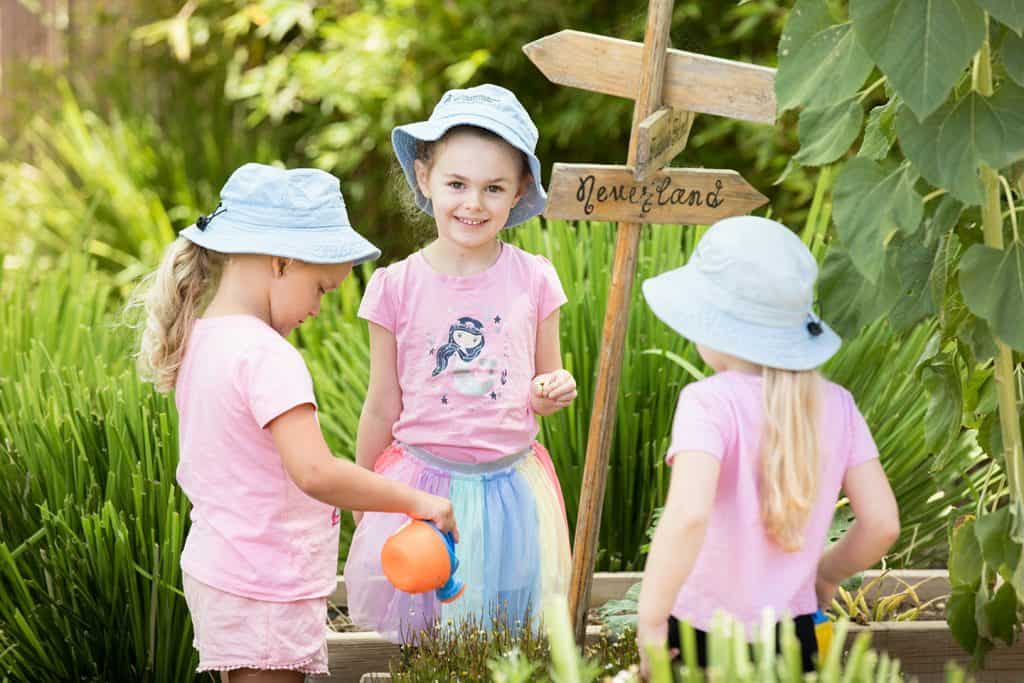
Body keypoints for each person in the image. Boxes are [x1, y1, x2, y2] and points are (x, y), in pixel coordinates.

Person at [134, 163, 457, 682]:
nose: (319, 308)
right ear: (281, 261)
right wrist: (417, 500)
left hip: (228, 570)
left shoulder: (205, 338)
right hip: (265, 582)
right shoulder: (266, 355)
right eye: (322, 289)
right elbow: (315, 472)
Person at [343, 84, 576, 643]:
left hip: (509, 493)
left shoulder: (535, 279)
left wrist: (551, 390)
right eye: (457, 184)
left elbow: (548, 380)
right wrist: (366, 497)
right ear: (425, 178)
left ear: (519, 192)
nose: (473, 203)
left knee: (500, 641)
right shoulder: (395, 287)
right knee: (428, 639)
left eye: (493, 188)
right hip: (423, 485)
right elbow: (381, 402)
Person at [635, 216, 900, 673]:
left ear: (712, 323)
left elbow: (688, 516)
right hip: (793, 636)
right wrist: (826, 574)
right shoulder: (837, 405)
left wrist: (652, 622)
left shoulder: (707, 403)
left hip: (700, 637)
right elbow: (882, 524)